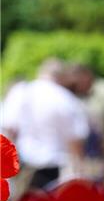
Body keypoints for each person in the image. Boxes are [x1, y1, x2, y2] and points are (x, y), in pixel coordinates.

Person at [0, 58, 89, 189]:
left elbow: (9, 131)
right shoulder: (66, 99)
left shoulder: (21, 92)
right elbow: (75, 142)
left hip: (23, 166)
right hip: (54, 170)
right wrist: (79, 174)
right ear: (61, 77)